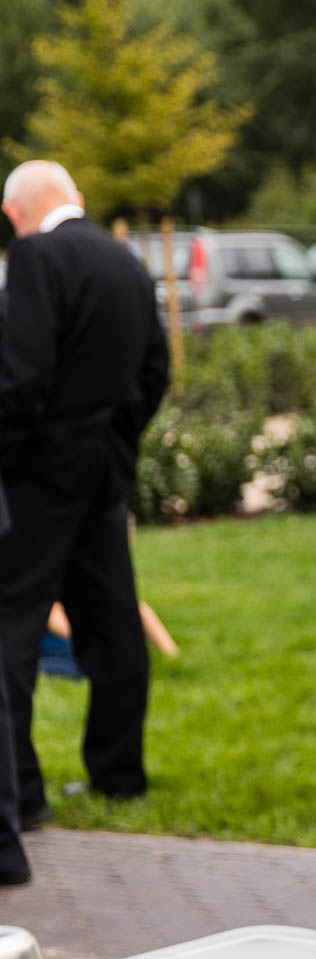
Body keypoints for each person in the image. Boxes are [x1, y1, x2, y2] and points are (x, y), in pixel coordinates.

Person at [0, 160, 169, 842]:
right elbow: (155, 369)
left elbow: (21, 375)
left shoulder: (36, 256)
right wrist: (116, 442)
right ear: (75, 196)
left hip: (39, 477)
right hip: (105, 475)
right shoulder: (126, 261)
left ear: (18, 212)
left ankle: (24, 795)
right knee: (113, 622)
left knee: (11, 628)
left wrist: (13, 454)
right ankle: (119, 773)